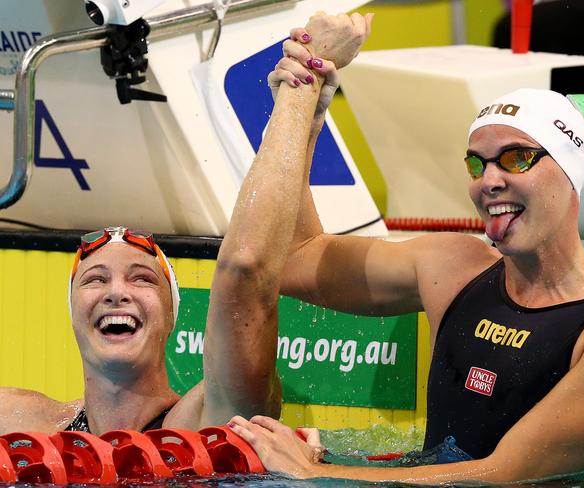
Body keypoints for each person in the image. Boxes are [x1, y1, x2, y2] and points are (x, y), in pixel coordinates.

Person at [227, 13, 584, 484]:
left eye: (516, 158)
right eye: (477, 164)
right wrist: (306, 116)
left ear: (570, 173)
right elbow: (292, 257)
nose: (490, 181)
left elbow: (502, 474)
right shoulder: (456, 267)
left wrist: (314, 473)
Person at [0, 13, 367, 435]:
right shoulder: (26, 420)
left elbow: (246, 267)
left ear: (172, 314)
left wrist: (300, 88)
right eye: (95, 280)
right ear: (73, 312)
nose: (116, 293)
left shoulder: (213, 413)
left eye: (141, 279)